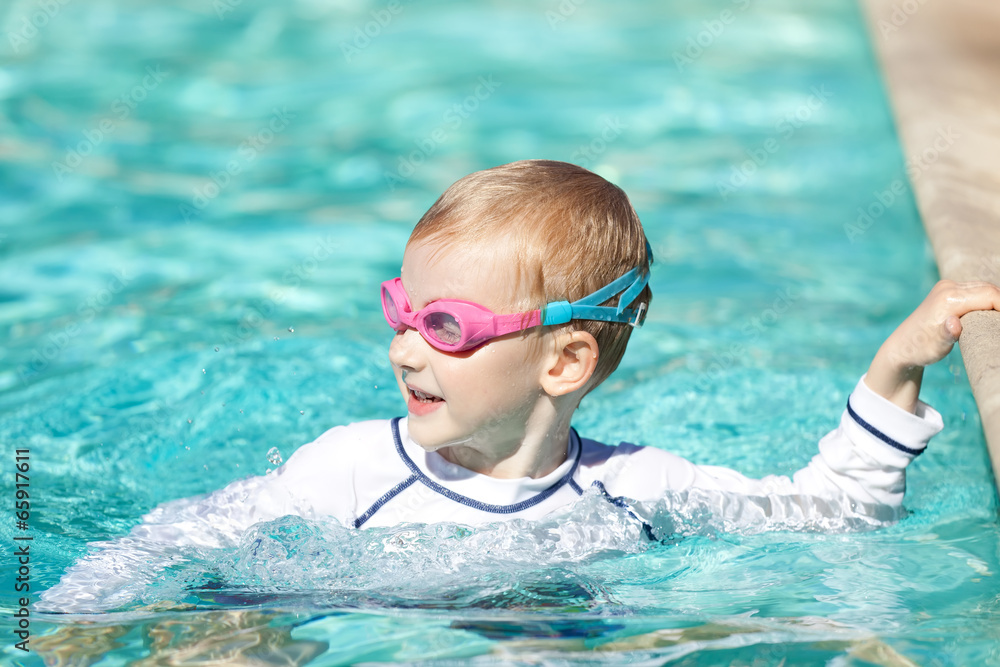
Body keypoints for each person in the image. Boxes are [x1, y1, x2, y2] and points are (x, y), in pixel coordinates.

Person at [39, 160, 1000, 612]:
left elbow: (837, 518)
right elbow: (174, 534)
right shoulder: (346, 470)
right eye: (401, 312)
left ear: (564, 362)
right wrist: (71, 618)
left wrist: (897, 369)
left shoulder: (640, 492)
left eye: (445, 326)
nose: (406, 350)